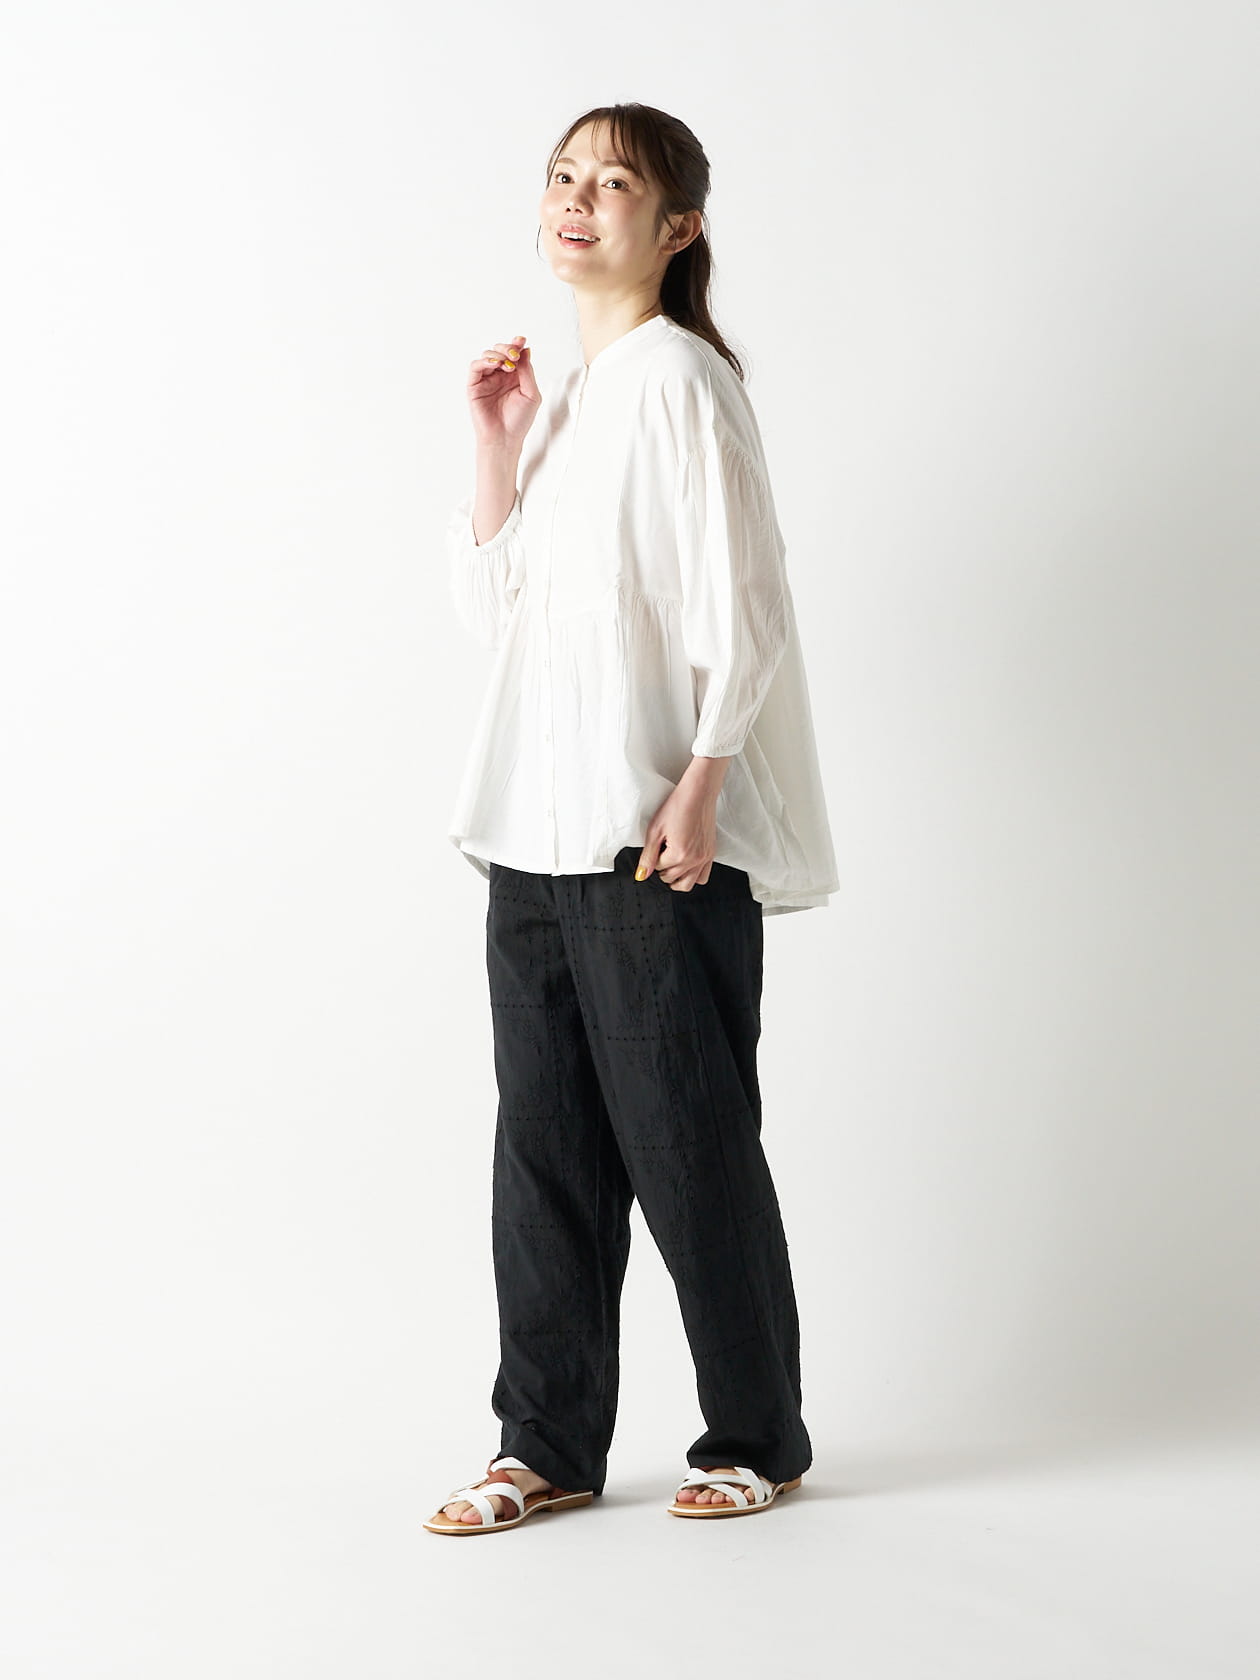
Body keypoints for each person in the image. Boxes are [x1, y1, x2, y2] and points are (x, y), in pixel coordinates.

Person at [424, 103, 839, 1535]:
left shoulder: (677, 379)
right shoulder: (576, 399)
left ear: (678, 228)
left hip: (648, 837)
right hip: (530, 840)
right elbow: (502, 621)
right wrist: (497, 444)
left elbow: (747, 599)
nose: (577, 199)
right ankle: (543, 1443)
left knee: (688, 1137)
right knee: (543, 1151)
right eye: (563, 175)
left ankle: (757, 1436)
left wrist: (705, 778)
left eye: (614, 182)